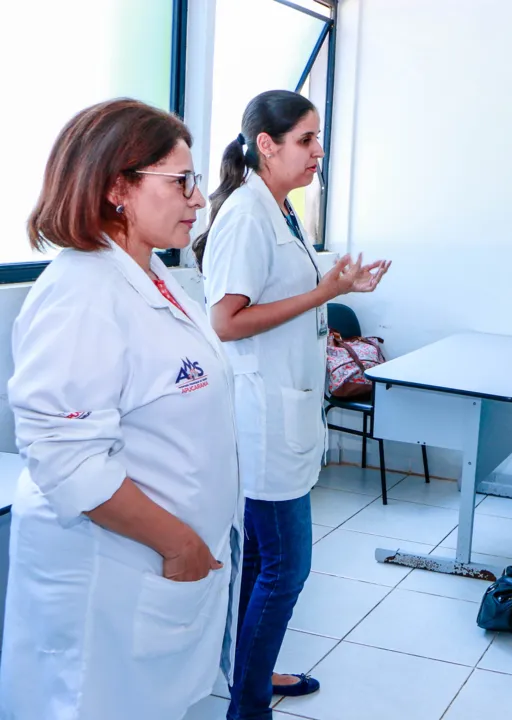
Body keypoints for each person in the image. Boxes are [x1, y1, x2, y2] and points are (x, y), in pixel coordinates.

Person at [0, 99, 242, 720]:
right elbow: (65, 458)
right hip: (110, 571)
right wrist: (180, 544)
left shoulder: (156, 275)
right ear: (116, 188)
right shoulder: (82, 293)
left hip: (156, 570)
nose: (198, 198)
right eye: (180, 182)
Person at [195, 89, 391, 720]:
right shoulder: (246, 215)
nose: (317, 152)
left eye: (318, 139)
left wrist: (335, 291)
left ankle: (253, 674)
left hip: (289, 410)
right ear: (267, 145)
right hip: (261, 424)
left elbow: (280, 296)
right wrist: (323, 295)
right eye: (305, 140)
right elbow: (225, 321)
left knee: (264, 568)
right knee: (286, 568)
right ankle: (248, 705)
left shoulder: (279, 210)